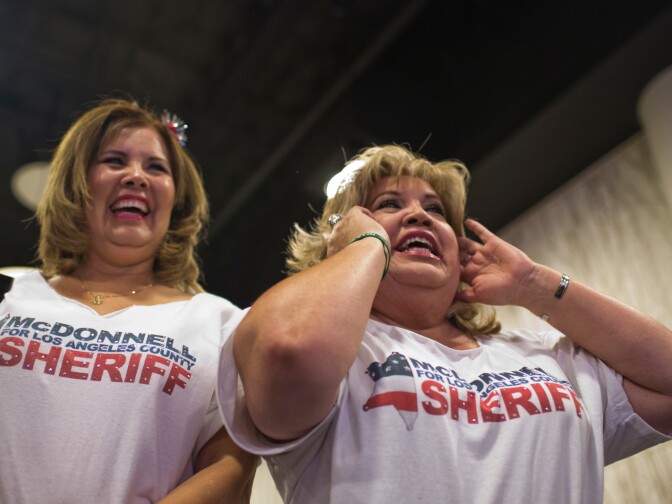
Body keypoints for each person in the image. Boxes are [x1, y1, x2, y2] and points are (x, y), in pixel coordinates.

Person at [217, 144, 672, 503]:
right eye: (388, 204)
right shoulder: (336, 350)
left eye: (435, 210)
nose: (418, 214)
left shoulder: (549, 357)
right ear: (347, 235)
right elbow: (288, 356)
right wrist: (366, 247)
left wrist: (534, 283)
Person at [0, 98, 257, 503]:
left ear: (176, 199)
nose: (136, 177)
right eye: (115, 161)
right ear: (78, 184)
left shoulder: (218, 322)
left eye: (156, 167)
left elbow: (231, 466)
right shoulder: (12, 298)